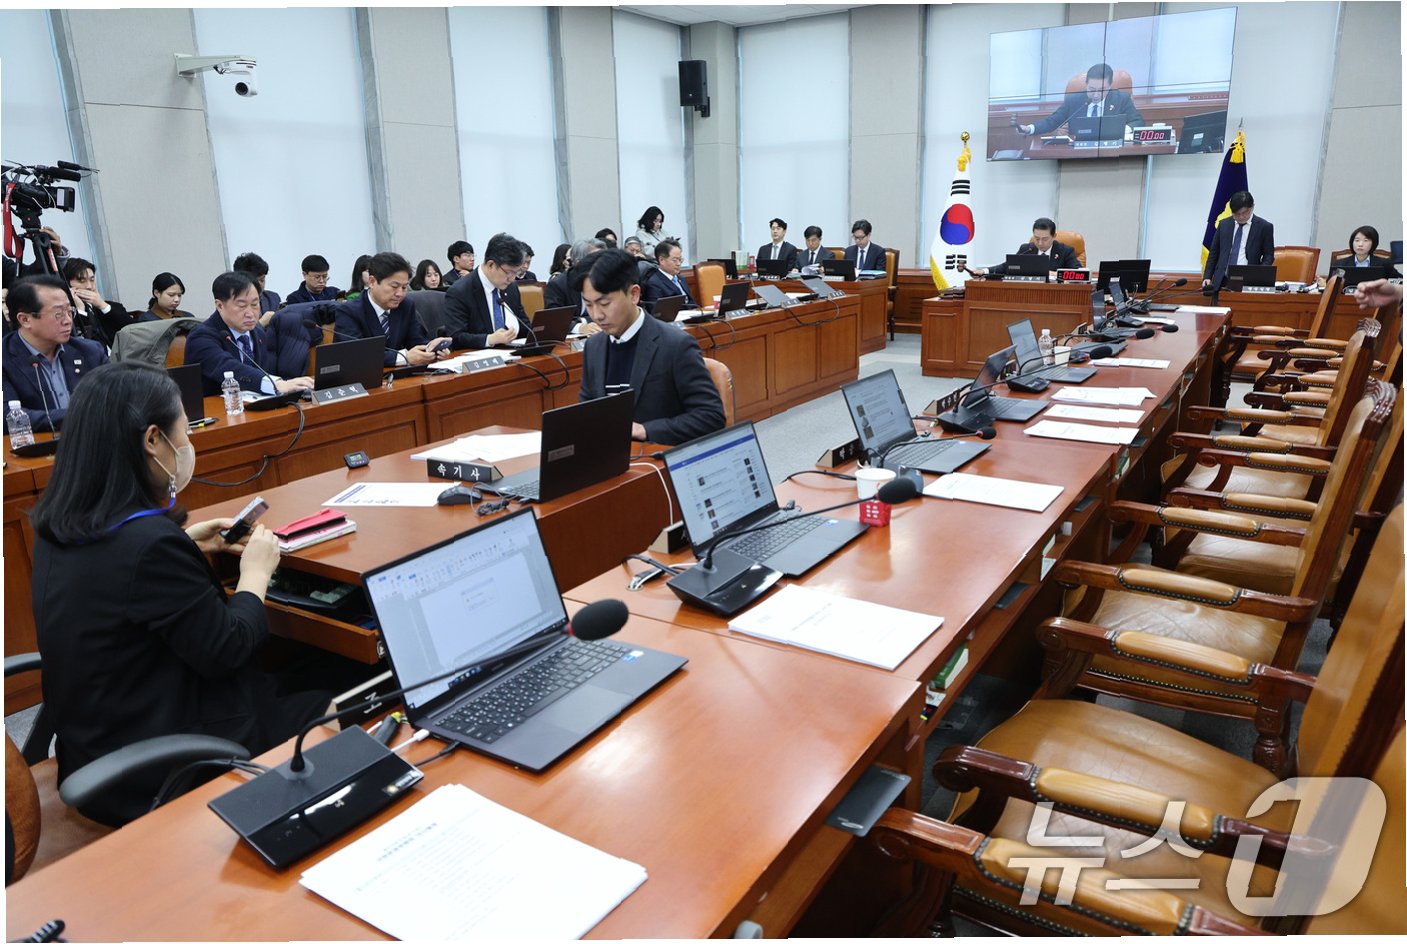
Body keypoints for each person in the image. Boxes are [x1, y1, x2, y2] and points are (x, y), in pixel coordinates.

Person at [29, 361, 339, 826]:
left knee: (304, 668)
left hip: (97, 741)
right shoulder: (149, 545)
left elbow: (119, 581)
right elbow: (230, 648)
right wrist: (256, 573)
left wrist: (185, 542)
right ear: (153, 440)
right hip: (158, 770)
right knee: (344, 689)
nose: (189, 442)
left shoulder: (61, 526)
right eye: (185, 430)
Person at [577, 249, 725, 445]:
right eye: (589, 305)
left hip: (657, 455)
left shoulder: (675, 344)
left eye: (604, 303)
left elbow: (711, 416)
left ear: (634, 294)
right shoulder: (594, 346)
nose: (597, 315)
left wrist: (645, 430)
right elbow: (587, 410)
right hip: (609, 454)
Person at [2, 275, 109, 431]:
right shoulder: (4, 358)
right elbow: (8, 417)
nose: (68, 321)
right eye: (58, 313)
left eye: (69, 311)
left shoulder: (90, 351)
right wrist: (79, 416)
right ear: (25, 319)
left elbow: (115, 399)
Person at [183, 271, 316, 397]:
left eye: (255, 304)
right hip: (215, 408)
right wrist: (276, 385)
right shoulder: (201, 337)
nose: (250, 313)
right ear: (219, 306)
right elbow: (227, 367)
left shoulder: (257, 332)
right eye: (242, 306)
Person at [333, 252, 445, 367]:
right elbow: (355, 354)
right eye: (394, 287)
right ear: (372, 282)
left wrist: (431, 349)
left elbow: (416, 341)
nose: (400, 294)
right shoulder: (349, 311)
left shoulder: (405, 305)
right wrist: (404, 357)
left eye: (404, 287)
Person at [441, 233, 531, 350]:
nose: (512, 279)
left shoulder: (511, 287)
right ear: (491, 265)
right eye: (509, 272)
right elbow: (456, 337)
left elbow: (525, 327)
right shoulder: (460, 291)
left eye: (516, 272)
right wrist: (489, 339)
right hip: (478, 356)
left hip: (512, 352)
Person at [1013, 63, 1144, 137]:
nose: (1096, 95)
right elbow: (1052, 121)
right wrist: (1029, 129)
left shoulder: (1121, 99)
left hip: (1111, 151)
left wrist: (1121, 129)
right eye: (1092, 89)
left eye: (1102, 90)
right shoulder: (1074, 100)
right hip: (1078, 152)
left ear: (1110, 86)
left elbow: (1138, 122)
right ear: (1086, 84)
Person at [1202, 191, 1275, 293]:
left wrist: (1259, 275)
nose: (1241, 217)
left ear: (1252, 207)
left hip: (1249, 282)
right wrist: (1207, 276)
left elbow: (1268, 255)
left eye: (1244, 213)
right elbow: (1214, 253)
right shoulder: (1224, 225)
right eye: (1236, 214)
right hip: (1222, 282)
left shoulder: (1264, 227)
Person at [959, 217, 1078, 277]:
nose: (1040, 243)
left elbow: (1079, 274)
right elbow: (1008, 266)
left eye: (1045, 239)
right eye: (1037, 238)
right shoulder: (1027, 249)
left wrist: (1052, 273)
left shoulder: (1065, 251)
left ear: (1054, 236)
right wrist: (983, 271)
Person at [64, 257, 134, 347]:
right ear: (67, 284)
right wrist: (80, 310)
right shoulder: (66, 315)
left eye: (92, 280)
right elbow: (81, 343)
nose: (89, 286)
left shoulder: (110, 307)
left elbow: (133, 331)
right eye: (82, 281)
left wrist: (102, 305)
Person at [1319, 225, 1398, 286]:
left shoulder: (1384, 264)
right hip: (1346, 300)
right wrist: (1325, 283)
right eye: (1357, 240)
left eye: (1365, 240)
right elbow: (1332, 285)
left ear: (1373, 243)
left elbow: (1399, 280)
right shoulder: (1340, 264)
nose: (1360, 244)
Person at [640, 240, 696, 311]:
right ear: (662, 260)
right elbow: (656, 312)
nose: (678, 264)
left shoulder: (682, 279)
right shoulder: (654, 283)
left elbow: (692, 303)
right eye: (674, 260)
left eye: (680, 259)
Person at [231, 252, 282, 319]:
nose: (259, 285)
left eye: (262, 280)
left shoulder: (272, 299)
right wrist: (261, 323)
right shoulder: (233, 304)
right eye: (254, 282)